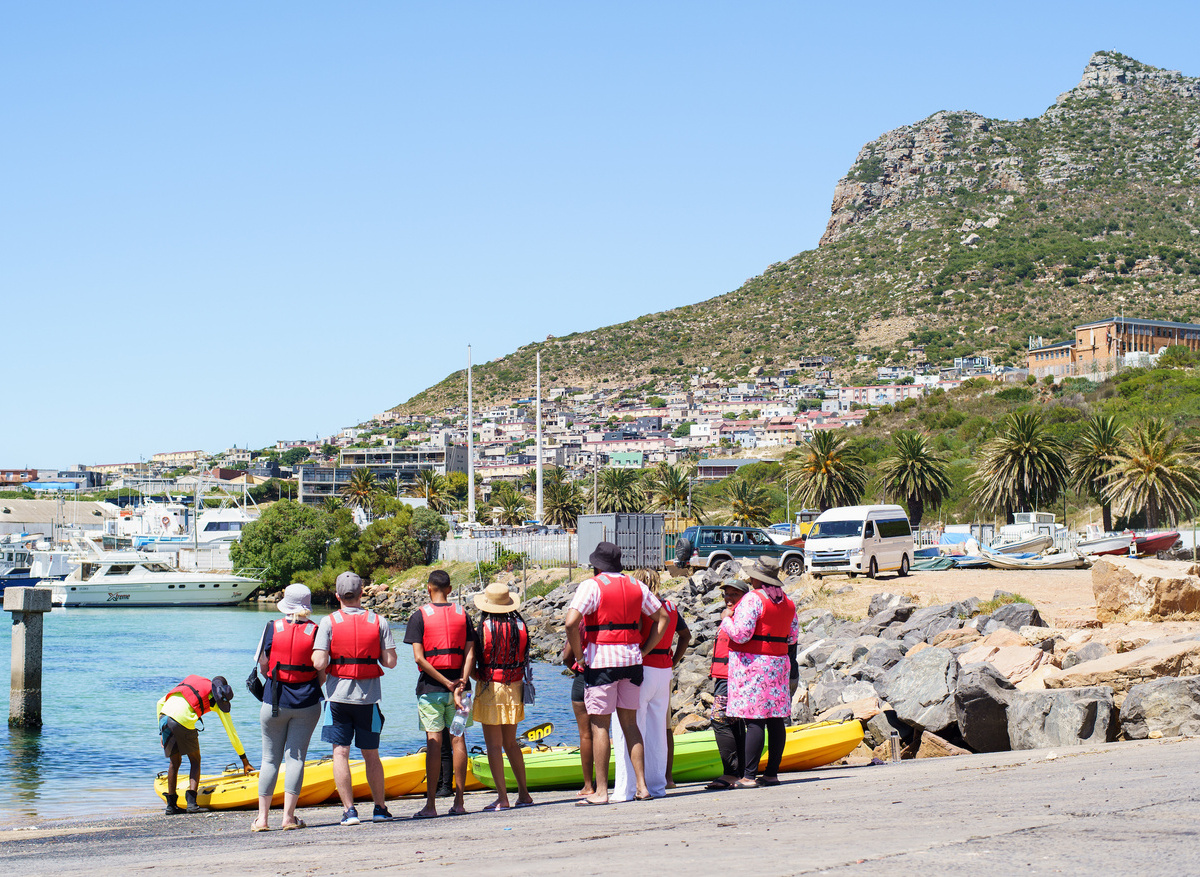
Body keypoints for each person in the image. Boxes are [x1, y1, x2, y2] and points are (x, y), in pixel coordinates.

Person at [564, 541, 668, 806]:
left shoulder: (591, 585)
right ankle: (642, 787)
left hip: (602, 663)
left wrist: (579, 657)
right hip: (632, 661)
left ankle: (601, 791)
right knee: (631, 724)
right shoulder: (636, 585)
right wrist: (644, 650)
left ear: (597, 565)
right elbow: (663, 619)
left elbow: (571, 623)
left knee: (600, 725)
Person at [311, 571, 399, 826]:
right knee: (371, 754)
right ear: (362, 593)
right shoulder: (378, 621)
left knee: (340, 753)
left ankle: (350, 811)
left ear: (337, 596)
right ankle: (380, 808)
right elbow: (390, 662)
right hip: (368, 700)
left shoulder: (328, 622)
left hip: (337, 699)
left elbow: (319, 662)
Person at [611, 568, 690, 801]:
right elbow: (686, 636)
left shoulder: (641, 607)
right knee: (657, 731)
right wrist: (674, 661)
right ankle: (657, 785)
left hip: (642, 668)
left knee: (628, 727)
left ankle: (626, 787)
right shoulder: (671, 606)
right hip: (663, 670)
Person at [404, 569, 476, 818]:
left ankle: (431, 805)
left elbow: (419, 658)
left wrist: (446, 683)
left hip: (431, 689)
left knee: (433, 743)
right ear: (450, 589)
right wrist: (461, 683)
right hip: (461, 689)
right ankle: (459, 802)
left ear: (428, 588)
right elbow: (470, 653)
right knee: (459, 739)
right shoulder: (463, 614)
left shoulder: (419, 616)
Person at [720, 557, 798, 788]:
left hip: (753, 665)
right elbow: (792, 637)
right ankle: (771, 774)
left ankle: (749, 776)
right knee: (775, 719)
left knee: (754, 719)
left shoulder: (753, 598)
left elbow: (741, 634)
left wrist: (726, 621)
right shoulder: (788, 602)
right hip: (778, 663)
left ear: (757, 578)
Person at [252, 583, 323, 831]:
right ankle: (288, 818)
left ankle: (262, 819)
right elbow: (322, 672)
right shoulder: (316, 631)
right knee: (296, 759)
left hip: (274, 700)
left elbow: (263, 666)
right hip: (307, 703)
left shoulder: (271, 627)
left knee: (269, 759)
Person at [472, 582, 535, 811]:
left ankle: (502, 797)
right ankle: (524, 793)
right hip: (515, 686)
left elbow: (475, 660)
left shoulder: (484, 627)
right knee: (511, 743)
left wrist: (474, 676)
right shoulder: (520, 625)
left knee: (493, 745)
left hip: (491, 687)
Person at [157, 674, 252, 814]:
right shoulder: (216, 701)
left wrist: (161, 731)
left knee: (174, 762)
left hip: (163, 718)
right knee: (195, 760)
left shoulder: (196, 681)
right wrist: (245, 761)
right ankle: (192, 804)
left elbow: (160, 702)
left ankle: (171, 806)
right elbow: (232, 734)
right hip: (182, 720)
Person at [705, 577, 749, 791]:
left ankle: (731, 772)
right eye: (726, 594)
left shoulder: (739, 617)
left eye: (734, 594)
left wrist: (726, 619)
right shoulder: (731, 615)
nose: (729, 599)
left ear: (744, 597)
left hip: (732, 675)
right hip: (724, 675)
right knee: (733, 721)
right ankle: (741, 771)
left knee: (720, 719)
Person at [560, 615, 596, 798]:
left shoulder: (581, 622)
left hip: (582, 677)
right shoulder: (606, 619)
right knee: (603, 731)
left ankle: (588, 785)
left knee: (585, 735)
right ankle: (604, 781)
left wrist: (576, 669)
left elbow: (567, 656)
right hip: (605, 676)